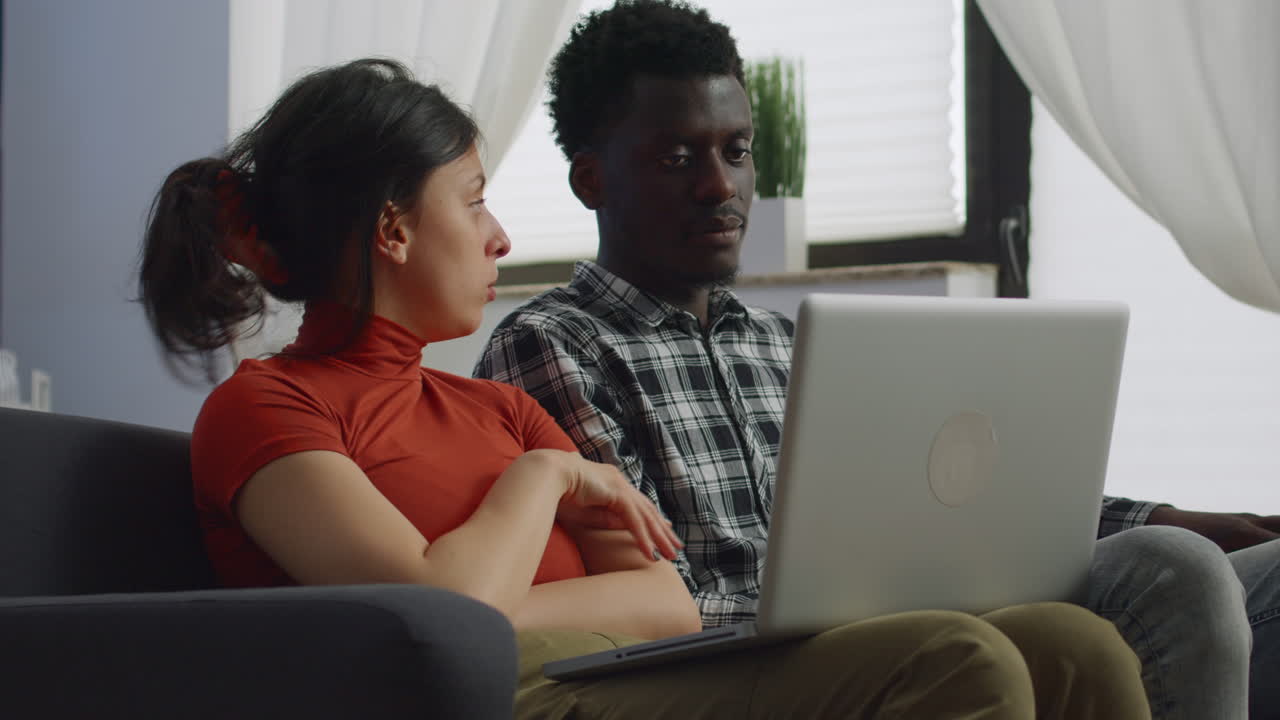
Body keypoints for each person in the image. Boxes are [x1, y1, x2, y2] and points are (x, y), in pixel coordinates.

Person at [137, 58, 1152, 719]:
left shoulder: (494, 408)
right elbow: (435, 615)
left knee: (1073, 644)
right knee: (955, 659)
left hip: (611, 674)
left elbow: (664, 601)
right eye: (475, 202)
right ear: (393, 228)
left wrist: (497, 583)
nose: (499, 238)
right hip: (490, 702)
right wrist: (537, 481)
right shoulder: (265, 408)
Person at [472, 2, 1280, 719]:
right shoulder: (554, 343)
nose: (721, 186)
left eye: (737, 150)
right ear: (591, 179)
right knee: (1168, 572)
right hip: (768, 654)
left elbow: (963, 496)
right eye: (678, 159)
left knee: (1208, 559)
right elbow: (653, 591)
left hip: (903, 612)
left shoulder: (787, 342)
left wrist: (1164, 515)